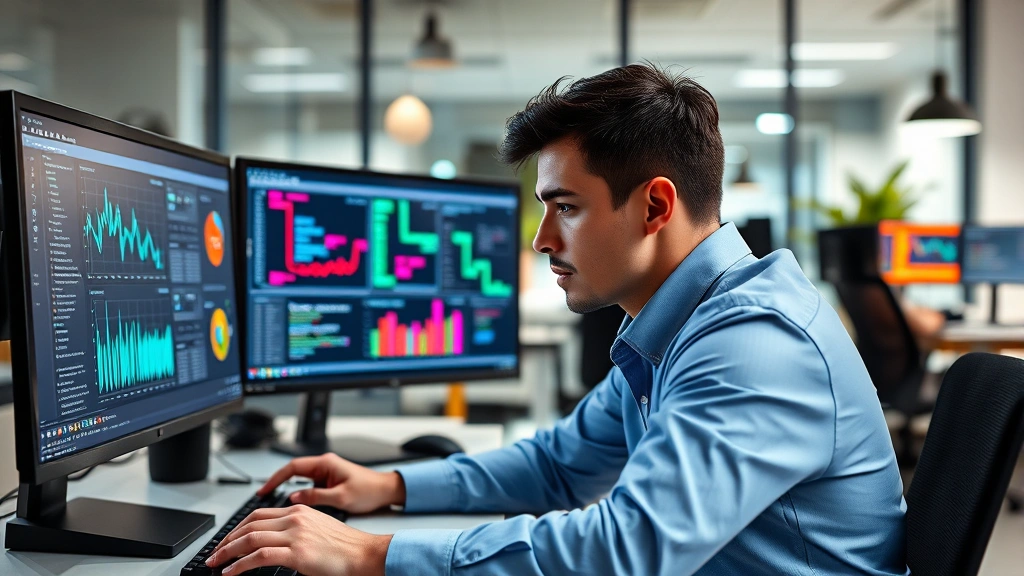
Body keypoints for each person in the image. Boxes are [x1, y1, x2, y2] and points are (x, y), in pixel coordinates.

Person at [206, 64, 909, 576]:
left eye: (565, 207)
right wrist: (390, 487)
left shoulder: (752, 344)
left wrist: (372, 553)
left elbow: (627, 550)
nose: (542, 239)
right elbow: (559, 463)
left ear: (655, 208)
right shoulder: (680, 329)